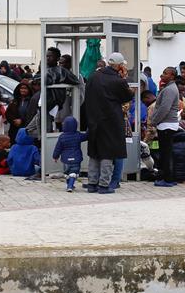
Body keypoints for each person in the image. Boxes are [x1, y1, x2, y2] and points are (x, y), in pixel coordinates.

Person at [83, 53, 134, 193]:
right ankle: (104, 185)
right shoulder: (118, 81)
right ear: (119, 65)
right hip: (111, 121)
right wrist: (123, 78)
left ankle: (92, 183)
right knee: (107, 153)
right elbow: (128, 96)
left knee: (94, 152)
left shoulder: (94, 76)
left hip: (94, 119)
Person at [151, 66, 180, 188]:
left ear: (172, 76)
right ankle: (168, 177)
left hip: (166, 125)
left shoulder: (169, 90)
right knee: (167, 152)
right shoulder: (170, 88)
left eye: (165, 73)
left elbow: (164, 108)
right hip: (167, 124)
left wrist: (154, 120)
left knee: (165, 153)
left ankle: (167, 179)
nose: (162, 75)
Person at [52, 116, 87, 191]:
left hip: (66, 160)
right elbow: (86, 136)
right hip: (76, 159)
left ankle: (69, 185)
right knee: (73, 173)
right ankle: (70, 186)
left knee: (67, 173)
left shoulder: (62, 137)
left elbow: (58, 148)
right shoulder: (77, 135)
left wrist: (55, 156)